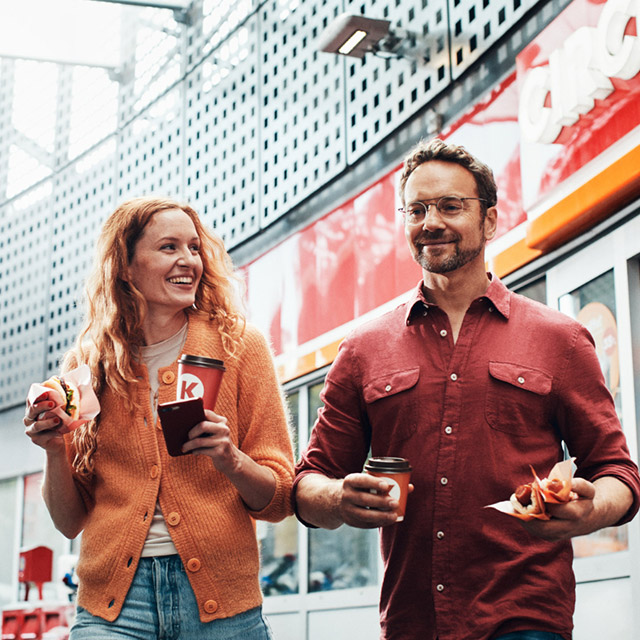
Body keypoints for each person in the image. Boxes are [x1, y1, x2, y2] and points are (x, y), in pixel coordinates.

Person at [293, 138, 640, 640]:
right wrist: (337, 499)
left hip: (526, 617)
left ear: (491, 220)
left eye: (451, 206)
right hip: (413, 623)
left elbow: (617, 472)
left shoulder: (559, 339)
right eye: (417, 209)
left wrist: (588, 511)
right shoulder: (362, 348)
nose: (431, 221)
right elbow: (309, 483)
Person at [23, 197, 295, 639]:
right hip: (113, 607)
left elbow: (280, 498)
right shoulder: (89, 363)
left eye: (194, 247)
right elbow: (69, 521)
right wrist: (55, 451)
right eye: (169, 247)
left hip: (221, 605)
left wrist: (232, 459)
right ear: (126, 267)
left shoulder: (239, 346)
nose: (189, 260)